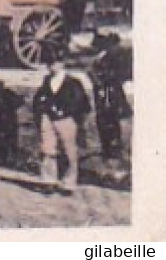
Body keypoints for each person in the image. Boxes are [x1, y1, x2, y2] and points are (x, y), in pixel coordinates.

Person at [32, 53, 90, 193]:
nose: (51, 67)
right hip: (48, 118)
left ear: (62, 64)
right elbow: (38, 98)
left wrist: (65, 111)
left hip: (66, 119)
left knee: (69, 150)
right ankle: (48, 180)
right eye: (49, 64)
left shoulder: (73, 82)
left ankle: (68, 183)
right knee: (47, 149)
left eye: (55, 63)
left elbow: (81, 102)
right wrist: (42, 110)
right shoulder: (47, 80)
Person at [90, 32, 132, 162]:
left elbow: (118, 74)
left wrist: (103, 80)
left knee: (111, 119)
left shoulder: (110, 57)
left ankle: (113, 149)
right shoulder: (101, 57)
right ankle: (109, 149)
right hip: (103, 92)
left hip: (110, 92)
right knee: (104, 119)